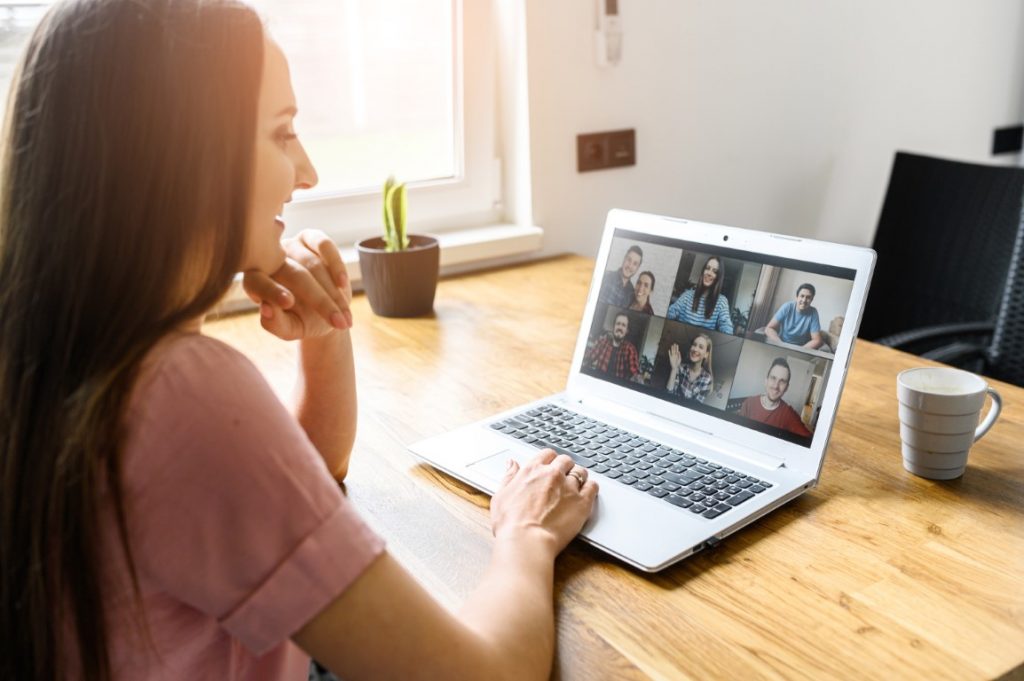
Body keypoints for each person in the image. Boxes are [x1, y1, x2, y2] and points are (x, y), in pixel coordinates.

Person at [0, 2, 598, 680]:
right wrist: (527, 535)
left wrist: (322, 333)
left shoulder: (63, 345)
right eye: (282, 133)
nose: (308, 172)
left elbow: (291, 491)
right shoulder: (178, 391)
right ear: (181, 155)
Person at [738, 358, 812, 437]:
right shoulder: (749, 403)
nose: (776, 386)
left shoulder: (788, 414)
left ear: (787, 387)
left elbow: (810, 440)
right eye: (773, 378)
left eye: (782, 381)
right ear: (766, 381)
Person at [666, 256, 734, 334]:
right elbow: (670, 313)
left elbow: (727, 327)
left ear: (718, 277)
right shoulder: (687, 295)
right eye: (707, 268)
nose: (709, 273)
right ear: (703, 271)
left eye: (714, 271)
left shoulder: (722, 301)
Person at [584, 313, 640, 381]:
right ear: (614, 327)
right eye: (618, 324)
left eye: (623, 325)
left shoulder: (630, 349)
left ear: (627, 331)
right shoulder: (603, 342)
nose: (620, 327)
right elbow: (588, 357)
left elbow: (635, 374)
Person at [765, 283, 823, 349]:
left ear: (812, 300)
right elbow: (769, 328)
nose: (804, 300)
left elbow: (817, 340)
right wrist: (780, 345)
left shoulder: (813, 312)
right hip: (782, 343)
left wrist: (799, 350)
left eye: (808, 297)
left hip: (801, 347)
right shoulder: (787, 307)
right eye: (802, 296)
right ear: (797, 297)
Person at [666, 334, 714, 403]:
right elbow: (668, 394)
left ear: (706, 354)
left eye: (701, 347)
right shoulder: (681, 368)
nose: (695, 349)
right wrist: (674, 368)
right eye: (694, 345)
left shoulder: (707, 379)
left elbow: (694, 406)